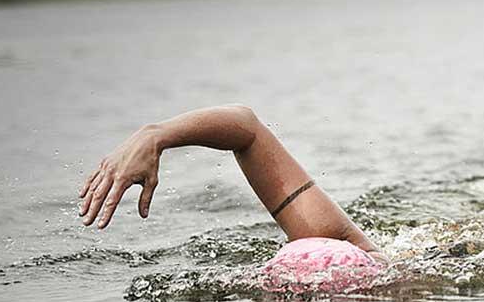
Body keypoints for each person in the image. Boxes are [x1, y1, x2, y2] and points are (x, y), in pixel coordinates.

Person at [78, 105, 387, 282]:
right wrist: (155, 136)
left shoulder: (334, 243)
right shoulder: (331, 238)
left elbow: (249, 134)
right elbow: (248, 130)